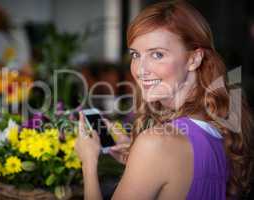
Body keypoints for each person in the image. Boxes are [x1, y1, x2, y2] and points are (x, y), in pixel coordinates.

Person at [75, 1, 254, 199]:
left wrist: (89, 163)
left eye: (157, 54)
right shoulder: (222, 127)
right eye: (135, 54)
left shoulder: (157, 143)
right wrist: (136, 158)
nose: (140, 70)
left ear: (194, 59)